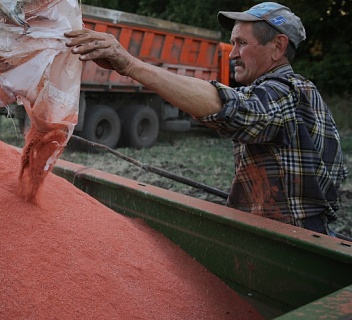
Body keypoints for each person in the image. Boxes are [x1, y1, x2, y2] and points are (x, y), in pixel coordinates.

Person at [65, 2, 349, 235]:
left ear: (277, 46)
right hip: (286, 231)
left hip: (294, 240)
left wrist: (129, 65)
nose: (233, 54)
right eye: (232, 43)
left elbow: (232, 109)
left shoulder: (286, 93)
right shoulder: (299, 93)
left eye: (241, 43)